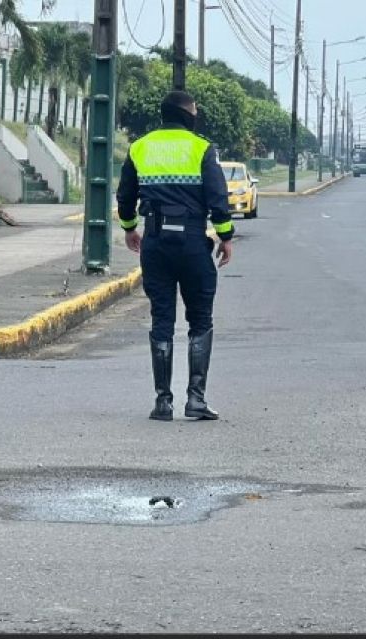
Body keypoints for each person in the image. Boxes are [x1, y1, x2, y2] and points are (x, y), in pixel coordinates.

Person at [116, 90, 234, 422]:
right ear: (186, 114)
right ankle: (195, 399)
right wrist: (225, 238)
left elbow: (125, 195)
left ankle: (162, 402)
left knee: (162, 319)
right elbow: (217, 198)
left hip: (155, 242)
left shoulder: (140, 147)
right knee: (200, 319)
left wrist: (129, 228)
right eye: (194, 110)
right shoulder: (201, 148)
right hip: (193, 244)